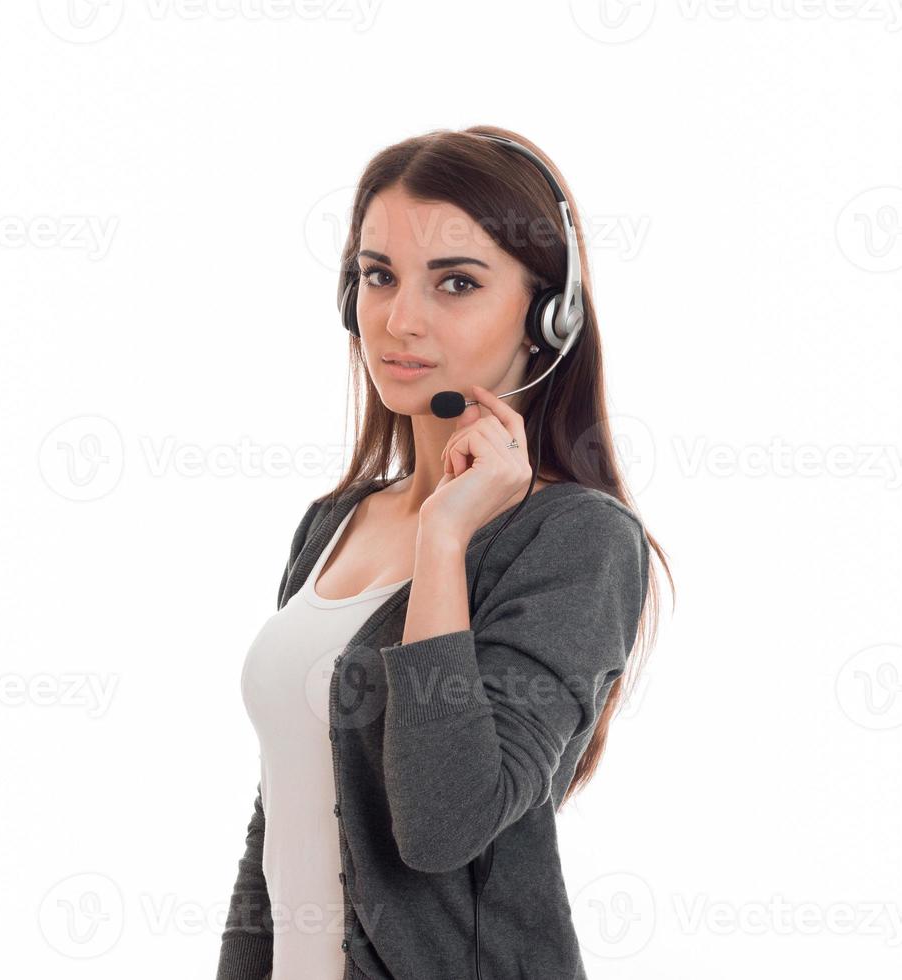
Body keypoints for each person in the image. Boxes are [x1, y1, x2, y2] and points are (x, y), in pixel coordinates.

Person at [219, 124, 673, 980]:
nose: (399, 319)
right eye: (376, 275)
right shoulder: (333, 522)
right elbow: (278, 817)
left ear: (549, 317)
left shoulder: (578, 542)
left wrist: (444, 536)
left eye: (456, 283)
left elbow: (444, 821)